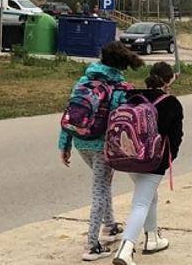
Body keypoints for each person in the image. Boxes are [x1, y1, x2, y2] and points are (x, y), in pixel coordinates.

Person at [59, 42, 144, 261]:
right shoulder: (120, 87)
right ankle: (91, 245)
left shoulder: (85, 80)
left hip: (80, 141)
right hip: (102, 145)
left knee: (104, 185)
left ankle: (110, 226)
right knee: (100, 188)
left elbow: (72, 111)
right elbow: (121, 122)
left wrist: (64, 144)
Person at [112, 63, 184, 265]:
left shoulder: (132, 97)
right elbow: (176, 137)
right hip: (154, 161)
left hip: (129, 157)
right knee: (141, 203)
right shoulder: (171, 103)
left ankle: (152, 238)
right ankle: (125, 250)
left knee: (149, 196)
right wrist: (168, 159)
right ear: (169, 80)